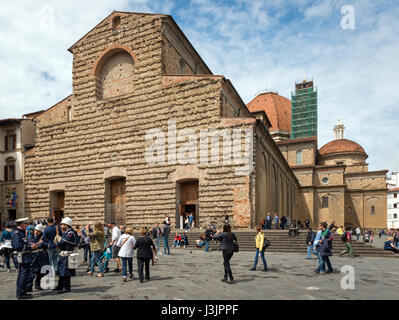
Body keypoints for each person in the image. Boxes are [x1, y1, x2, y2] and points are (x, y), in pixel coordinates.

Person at [11, 218, 39, 299]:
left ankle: (22, 291)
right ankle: (20, 293)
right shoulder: (17, 233)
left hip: (26, 256)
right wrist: (30, 247)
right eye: (26, 224)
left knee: (23, 274)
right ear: (22, 224)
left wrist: (31, 244)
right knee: (24, 275)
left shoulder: (21, 233)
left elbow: (24, 242)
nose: (27, 225)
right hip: (23, 257)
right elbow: (17, 246)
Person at [53, 217, 78, 294]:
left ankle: (66, 287)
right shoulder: (66, 233)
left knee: (65, 272)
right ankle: (60, 285)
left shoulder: (70, 233)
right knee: (61, 271)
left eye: (62, 224)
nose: (61, 226)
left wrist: (57, 243)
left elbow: (62, 243)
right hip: (62, 254)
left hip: (67, 254)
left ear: (66, 225)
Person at [27, 224, 50, 292]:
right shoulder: (30, 237)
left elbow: (48, 245)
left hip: (42, 256)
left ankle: (38, 285)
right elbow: (29, 244)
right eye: (36, 230)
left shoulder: (43, 237)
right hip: (33, 256)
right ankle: (29, 286)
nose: (36, 232)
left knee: (41, 271)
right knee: (32, 272)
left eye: (38, 231)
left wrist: (42, 244)